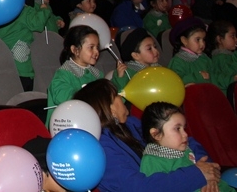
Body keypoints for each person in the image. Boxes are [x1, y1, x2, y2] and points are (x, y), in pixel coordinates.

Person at [74, 79, 220, 192]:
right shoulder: (101, 147)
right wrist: (197, 174)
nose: (123, 99)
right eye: (117, 95)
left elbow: (187, 141)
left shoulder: (131, 124)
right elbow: (138, 188)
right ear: (109, 108)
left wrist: (206, 169)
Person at [140, 102, 233, 191]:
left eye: (184, 128)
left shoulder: (185, 148)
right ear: (156, 134)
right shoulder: (152, 161)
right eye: (177, 129)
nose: (185, 134)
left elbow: (210, 169)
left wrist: (210, 178)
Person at [0, 0, 64, 91]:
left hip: (3, 67)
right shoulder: (24, 12)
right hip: (23, 69)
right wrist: (44, 9)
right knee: (25, 98)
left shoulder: (0, 15)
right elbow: (38, 24)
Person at [45, 25, 105, 125]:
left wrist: (119, 79)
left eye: (97, 47)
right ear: (75, 50)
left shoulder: (97, 75)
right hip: (65, 127)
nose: (96, 52)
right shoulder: (63, 74)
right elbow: (65, 98)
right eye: (91, 47)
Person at [168, 17, 212, 86]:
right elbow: (175, 81)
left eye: (203, 40)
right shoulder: (178, 61)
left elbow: (214, 75)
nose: (202, 44)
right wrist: (198, 76)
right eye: (198, 39)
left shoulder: (204, 58)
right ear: (184, 40)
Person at [207, 20, 237, 94]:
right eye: (232, 36)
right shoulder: (219, 59)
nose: (236, 39)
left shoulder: (230, 56)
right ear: (219, 39)